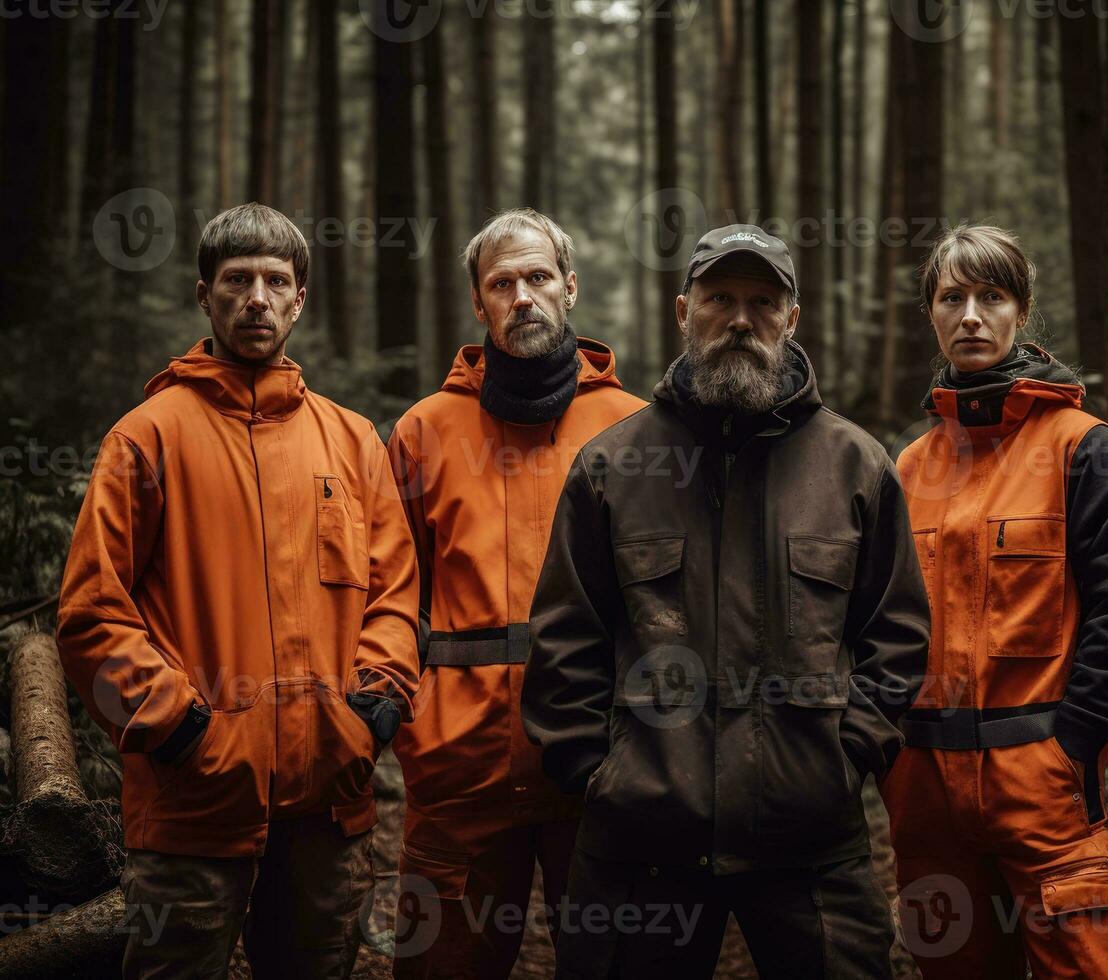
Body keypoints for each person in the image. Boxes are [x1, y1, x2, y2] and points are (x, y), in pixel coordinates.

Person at [520, 223, 931, 978]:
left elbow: (896, 635)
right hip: (640, 843)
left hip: (810, 841)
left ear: (791, 318)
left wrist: (847, 758)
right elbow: (565, 636)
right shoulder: (615, 465)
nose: (740, 319)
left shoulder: (855, 466)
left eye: (761, 301)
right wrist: (598, 773)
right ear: (684, 310)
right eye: (719, 299)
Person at [56, 202, 420, 979]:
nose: (256, 296)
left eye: (275, 281)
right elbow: (92, 614)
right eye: (237, 280)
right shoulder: (146, 438)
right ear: (204, 295)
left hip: (330, 799)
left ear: (299, 301)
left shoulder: (353, 442)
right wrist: (184, 731)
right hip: (193, 805)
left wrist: (373, 712)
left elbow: (394, 592)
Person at [881, 224, 1108, 979]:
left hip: (1041, 780)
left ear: (1020, 311)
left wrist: (1071, 748)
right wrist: (893, 762)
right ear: (931, 314)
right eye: (952, 297)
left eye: (990, 296)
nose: (971, 315)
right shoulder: (910, 464)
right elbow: (882, 621)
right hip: (926, 789)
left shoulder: (1084, 445)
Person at [387, 209, 645, 977]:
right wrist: (413, 725)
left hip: (600, 765)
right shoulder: (425, 431)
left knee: (615, 962)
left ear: (570, 286)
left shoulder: (635, 428)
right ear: (479, 303)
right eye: (503, 283)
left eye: (537, 278)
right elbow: (389, 596)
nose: (522, 296)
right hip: (458, 770)